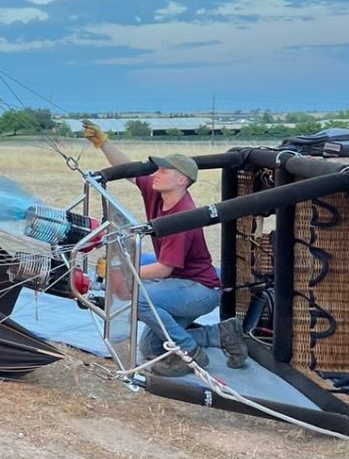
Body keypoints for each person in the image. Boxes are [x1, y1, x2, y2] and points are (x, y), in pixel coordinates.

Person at [81, 120, 249, 376]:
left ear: (181, 180)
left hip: (199, 290)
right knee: (151, 346)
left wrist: (124, 270)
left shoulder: (182, 218)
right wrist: (104, 143)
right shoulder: (159, 192)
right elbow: (129, 171)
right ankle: (221, 333)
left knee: (134, 296)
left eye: (163, 170)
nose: (155, 174)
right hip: (181, 282)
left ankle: (190, 354)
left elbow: (163, 269)